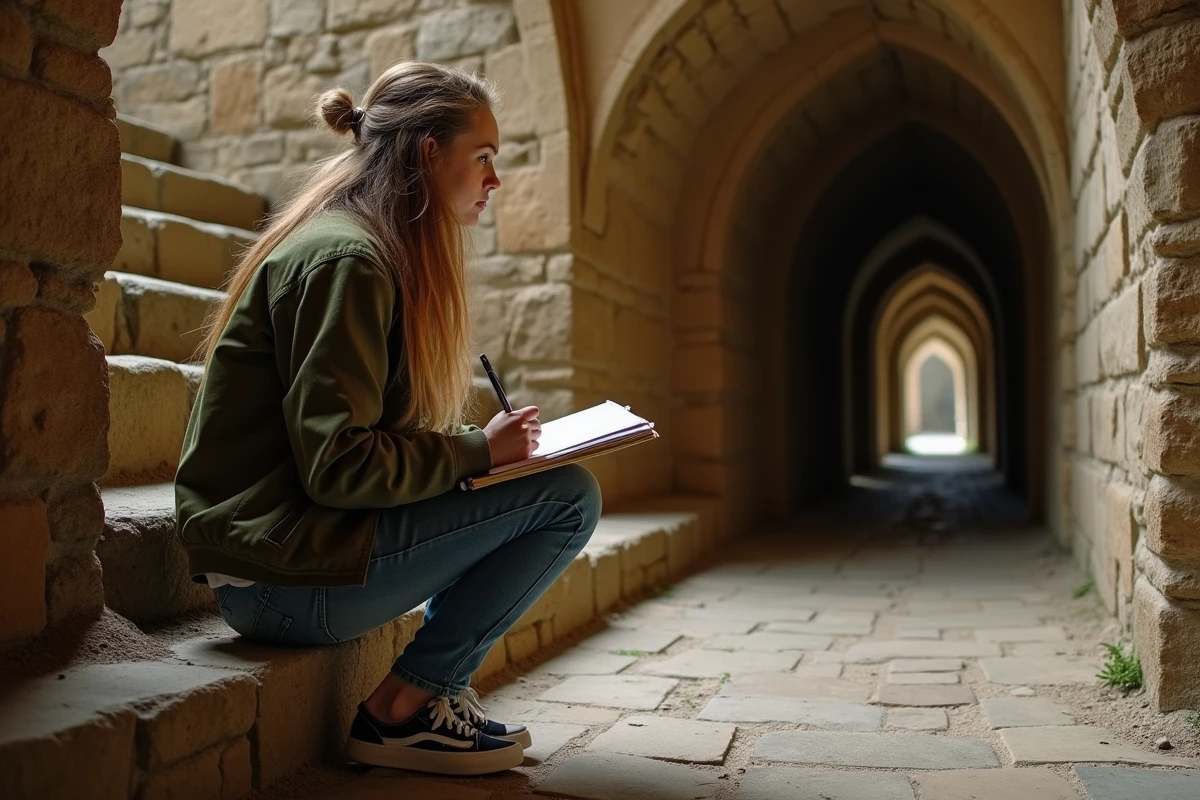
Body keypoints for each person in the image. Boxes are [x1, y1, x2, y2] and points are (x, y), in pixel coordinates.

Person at [173, 61, 602, 777]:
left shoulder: (366, 250)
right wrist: (475, 454)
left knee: (543, 487)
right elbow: (338, 464)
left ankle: (424, 698)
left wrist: (481, 459)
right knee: (567, 499)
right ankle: (405, 711)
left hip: (291, 559)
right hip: (281, 585)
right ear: (430, 154)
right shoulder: (350, 260)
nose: (495, 181)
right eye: (484, 158)